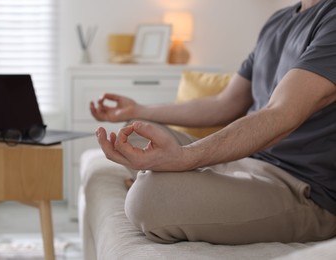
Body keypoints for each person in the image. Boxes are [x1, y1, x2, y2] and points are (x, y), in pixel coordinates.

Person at [90, 0, 336, 245]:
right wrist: (138, 109)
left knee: (147, 200)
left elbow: (281, 113)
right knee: (135, 132)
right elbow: (223, 103)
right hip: (245, 160)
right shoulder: (278, 20)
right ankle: (181, 180)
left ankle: (165, 181)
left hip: (301, 188)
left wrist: (185, 157)